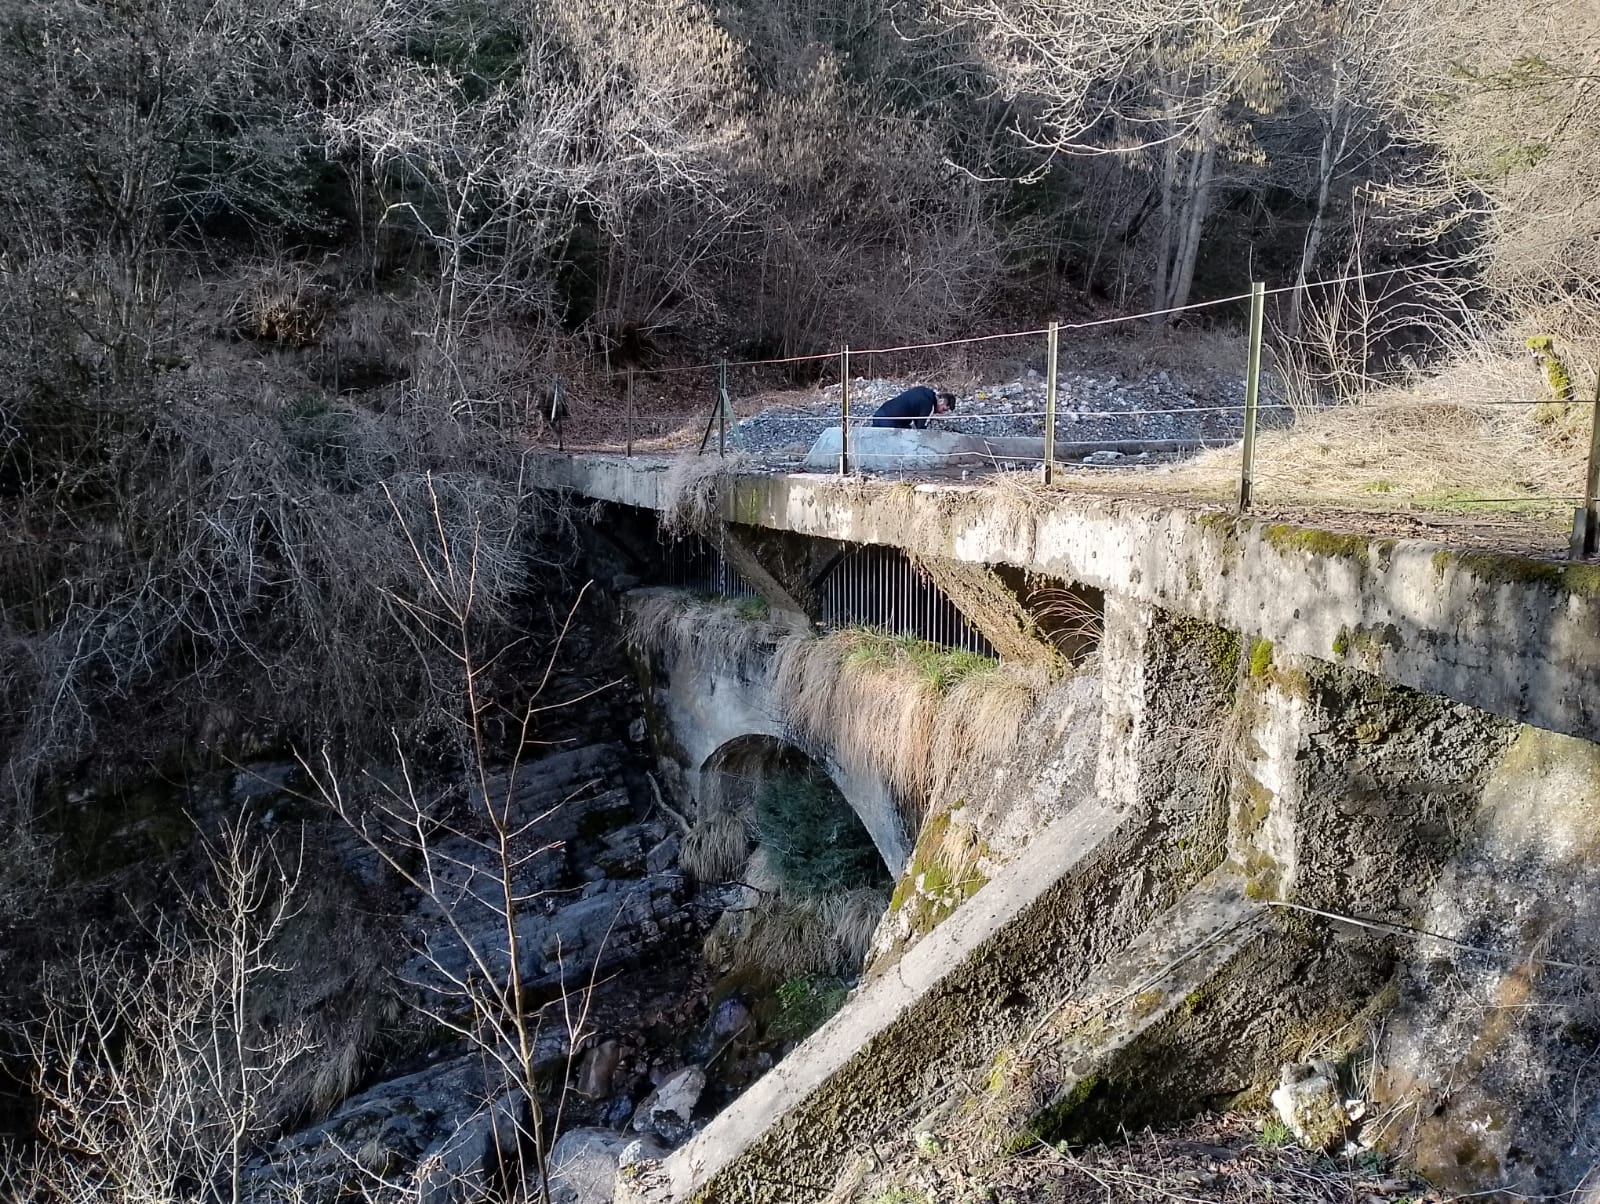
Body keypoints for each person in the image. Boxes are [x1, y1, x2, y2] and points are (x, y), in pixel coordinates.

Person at [867, 386, 957, 430]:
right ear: (940, 401)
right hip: (889, 422)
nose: (942, 412)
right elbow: (921, 429)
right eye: (944, 409)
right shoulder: (928, 405)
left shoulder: (923, 391)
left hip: (880, 413)